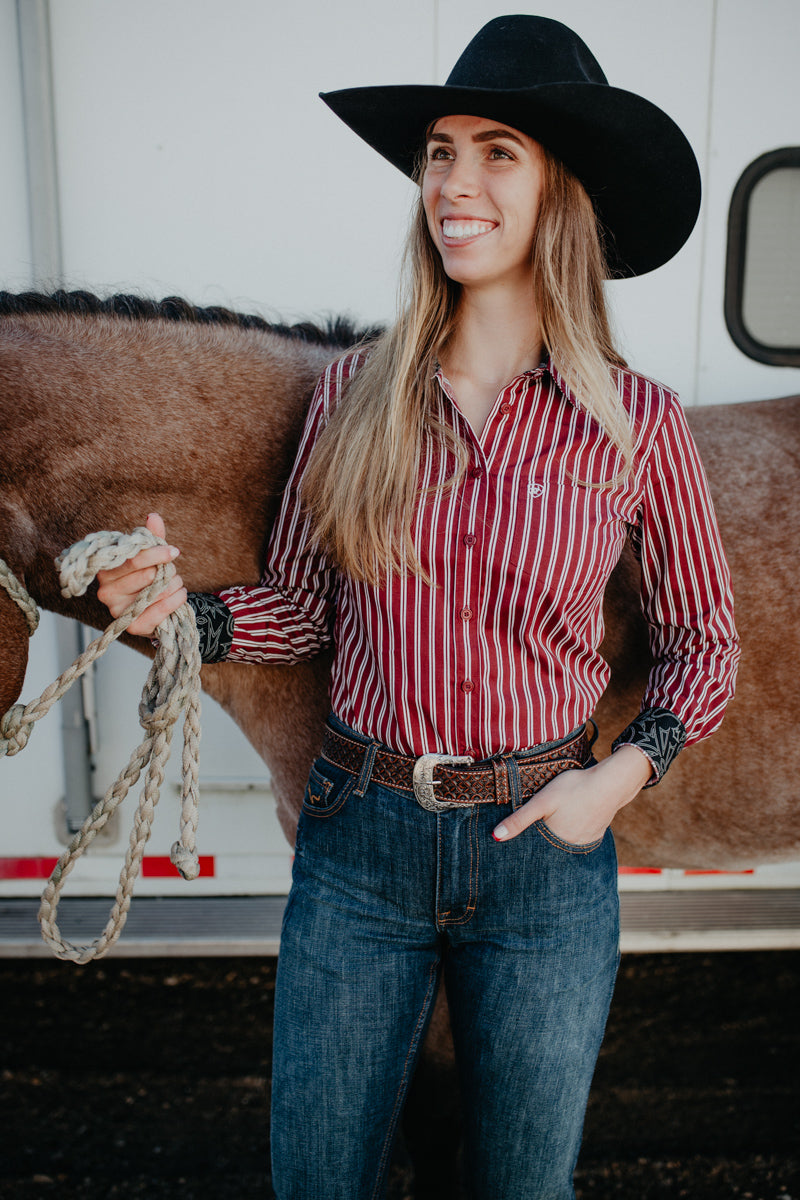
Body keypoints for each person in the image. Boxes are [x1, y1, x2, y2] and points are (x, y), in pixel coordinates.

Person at [97, 15, 739, 1200]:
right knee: (317, 1181)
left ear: (560, 195)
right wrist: (173, 615)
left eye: (497, 152)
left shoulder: (633, 422)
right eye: (441, 151)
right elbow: (300, 608)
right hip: (360, 843)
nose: (454, 181)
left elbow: (702, 643)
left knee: (523, 1188)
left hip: (544, 846)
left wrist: (616, 777)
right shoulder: (353, 393)